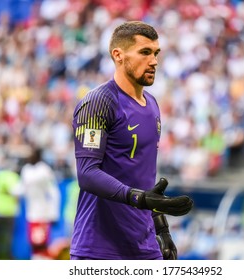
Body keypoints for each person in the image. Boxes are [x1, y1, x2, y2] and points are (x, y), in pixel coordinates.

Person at [71, 21, 193, 260]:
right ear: (118, 55)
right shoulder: (97, 103)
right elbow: (86, 173)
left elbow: (144, 180)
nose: (154, 61)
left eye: (156, 53)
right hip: (99, 250)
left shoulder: (153, 106)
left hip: (145, 248)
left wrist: (162, 230)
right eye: (145, 52)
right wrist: (138, 198)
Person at [18, 148, 61, 259]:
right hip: (31, 213)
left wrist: (53, 213)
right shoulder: (26, 170)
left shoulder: (45, 170)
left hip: (43, 213)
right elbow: (22, 188)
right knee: (33, 243)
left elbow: (54, 192)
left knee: (41, 243)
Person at [0, 167, 21, 259]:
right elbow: (16, 193)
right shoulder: (13, 177)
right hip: (9, 211)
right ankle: (7, 257)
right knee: (8, 237)